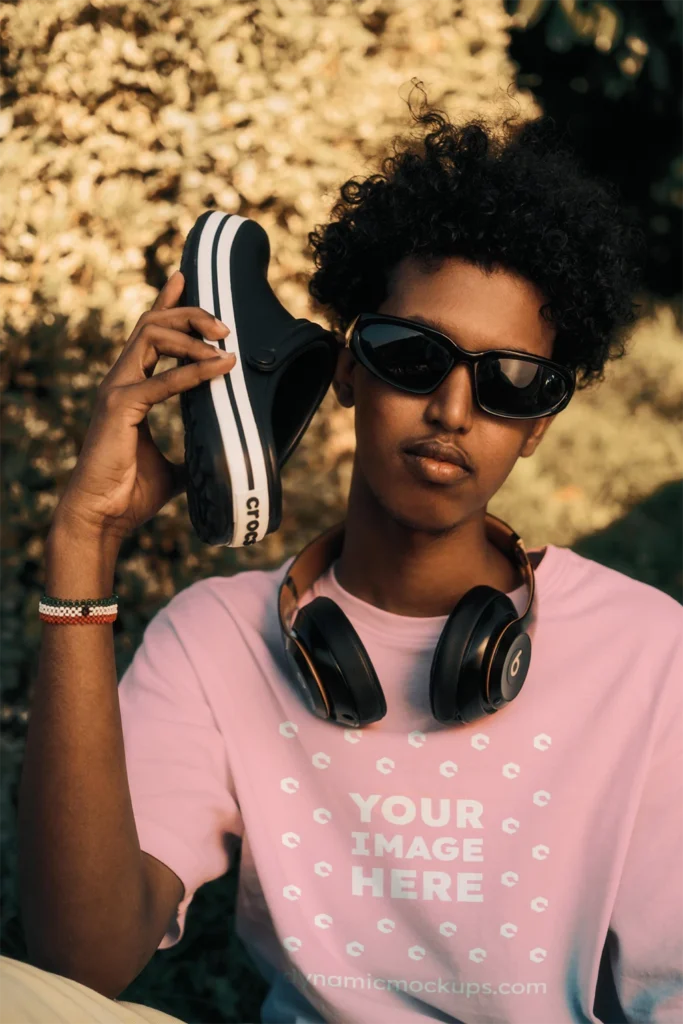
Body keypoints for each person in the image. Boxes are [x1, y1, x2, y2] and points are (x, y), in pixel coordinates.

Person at [11, 97, 683, 1024]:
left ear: (537, 428)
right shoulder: (216, 641)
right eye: (411, 355)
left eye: (510, 382)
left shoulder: (649, 652)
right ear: (346, 370)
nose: (452, 409)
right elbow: (76, 963)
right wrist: (82, 544)